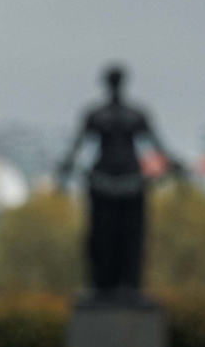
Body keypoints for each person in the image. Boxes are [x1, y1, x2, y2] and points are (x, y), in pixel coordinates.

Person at [57, 65, 185, 301]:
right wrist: (174, 166)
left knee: (111, 236)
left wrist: (65, 168)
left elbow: (75, 150)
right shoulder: (134, 115)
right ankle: (123, 284)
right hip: (126, 182)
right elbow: (159, 149)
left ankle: (112, 284)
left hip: (110, 181)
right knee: (122, 236)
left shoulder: (98, 115)